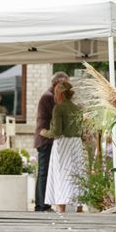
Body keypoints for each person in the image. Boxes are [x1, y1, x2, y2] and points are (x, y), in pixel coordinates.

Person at [41, 81, 84, 213]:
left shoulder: (59, 108)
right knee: (77, 173)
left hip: (63, 143)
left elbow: (57, 132)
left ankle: (61, 208)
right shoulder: (77, 108)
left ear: (60, 93)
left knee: (62, 174)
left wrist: (44, 132)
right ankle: (79, 207)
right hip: (76, 143)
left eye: (56, 92)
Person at [33, 71, 69, 212]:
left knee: (45, 172)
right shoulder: (48, 97)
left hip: (47, 139)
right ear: (57, 82)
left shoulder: (50, 95)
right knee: (44, 172)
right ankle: (42, 206)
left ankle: (42, 205)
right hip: (45, 139)